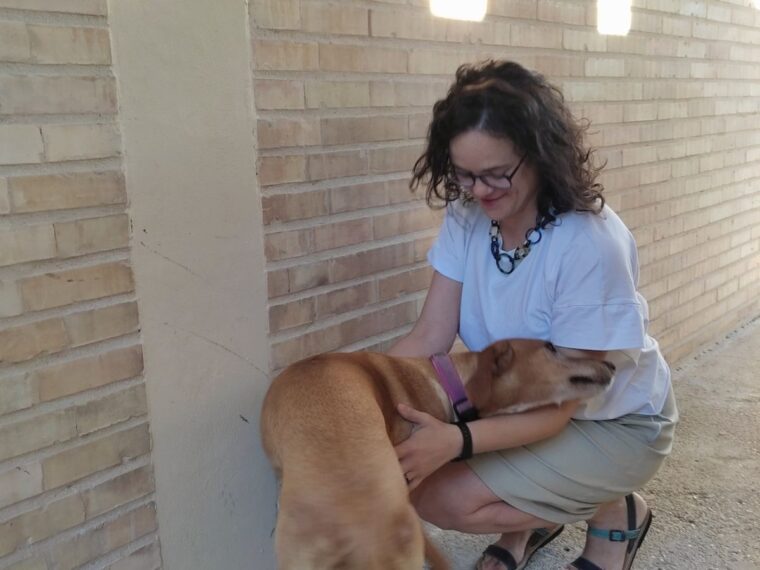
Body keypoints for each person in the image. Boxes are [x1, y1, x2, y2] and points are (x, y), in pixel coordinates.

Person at [388, 60, 678, 570]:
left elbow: (561, 405)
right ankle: (530, 519)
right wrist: (359, 395)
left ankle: (616, 510)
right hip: (514, 408)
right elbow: (430, 334)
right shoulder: (467, 215)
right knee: (410, 472)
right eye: (465, 174)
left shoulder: (589, 243)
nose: (479, 191)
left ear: (541, 153)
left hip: (610, 421)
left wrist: (456, 440)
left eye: (497, 174)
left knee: (443, 498)